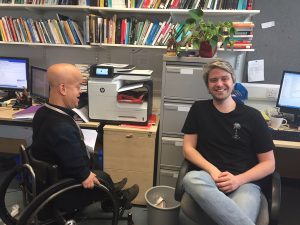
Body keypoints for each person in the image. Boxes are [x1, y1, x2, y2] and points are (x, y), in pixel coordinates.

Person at [31, 63, 138, 209]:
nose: (80, 92)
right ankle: (115, 200)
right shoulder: (61, 127)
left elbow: (62, 148)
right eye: (77, 86)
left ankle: (111, 190)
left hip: (47, 179)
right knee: (102, 177)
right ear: (62, 88)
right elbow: (73, 161)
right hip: (63, 188)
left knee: (97, 164)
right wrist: (84, 175)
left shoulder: (42, 112)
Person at [181, 59, 275, 225]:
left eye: (224, 78)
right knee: (190, 179)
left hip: (244, 183)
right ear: (208, 85)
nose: (219, 84)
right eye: (213, 80)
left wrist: (238, 180)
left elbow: (269, 164)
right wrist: (213, 171)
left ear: (233, 81)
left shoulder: (253, 117)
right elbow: (188, 149)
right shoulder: (198, 109)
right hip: (207, 179)